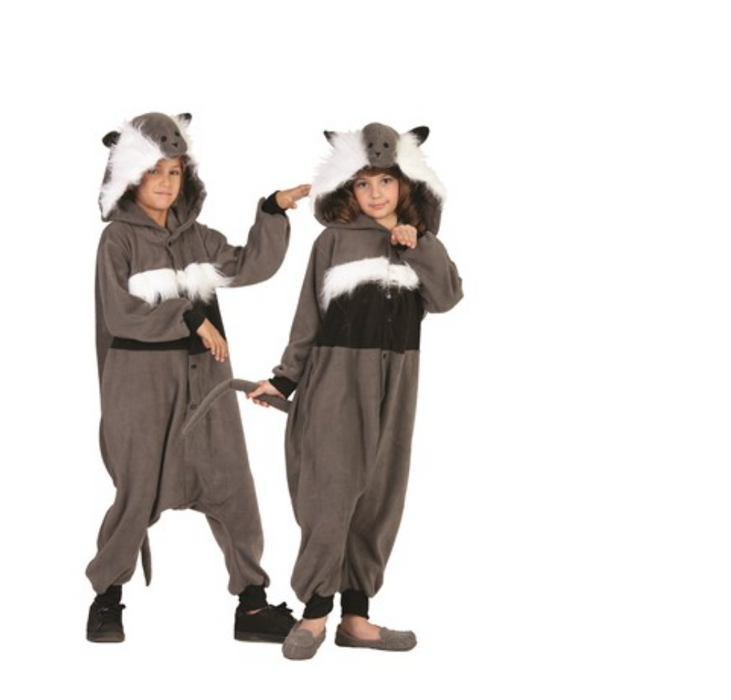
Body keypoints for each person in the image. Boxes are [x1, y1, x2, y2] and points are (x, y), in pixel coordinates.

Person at [86, 111, 310, 644]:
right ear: (130, 177)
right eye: (154, 172)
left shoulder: (198, 239)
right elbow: (121, 314)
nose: (166, 182)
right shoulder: (118, 241)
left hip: (206, 383)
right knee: (137, 492)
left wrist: (271, 210)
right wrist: (188, 316)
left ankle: (252, 607)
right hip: (141, 388)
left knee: (233, 485)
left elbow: (251, 265)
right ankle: (106, 599)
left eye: (175, 172)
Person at [248, 122, 463, 660]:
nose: (375, 193)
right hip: (336, 380)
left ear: (405, 184)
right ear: (349, 188)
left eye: (385, 182)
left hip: (399, 381)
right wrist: (285, 377)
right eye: (364, 184)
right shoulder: (334, 241)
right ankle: (315, 613)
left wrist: (418, 246)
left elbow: (447, 298)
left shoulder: (422, 243)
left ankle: (356, 618)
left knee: (381, 493)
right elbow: (308, 316)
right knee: (330, 490)